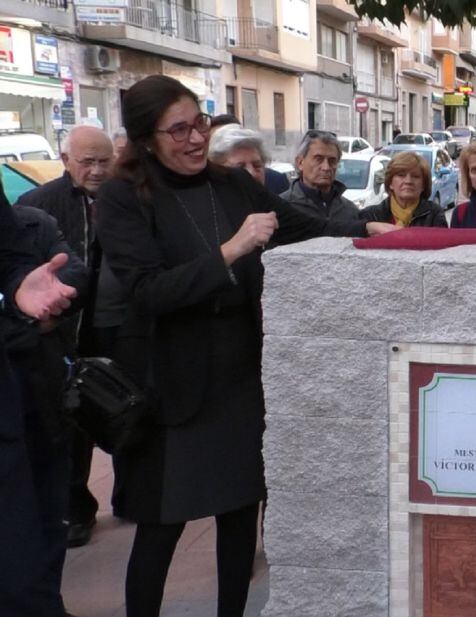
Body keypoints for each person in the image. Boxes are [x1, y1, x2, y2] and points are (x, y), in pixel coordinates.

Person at [95, 75, 370, 617]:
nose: (196, 138)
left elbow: (303, 226)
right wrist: (231, 249)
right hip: (169, 382)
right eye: (179, 130)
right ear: (147, 137)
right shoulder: (122, 196)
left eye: (199, 122)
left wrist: (372, 230)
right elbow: (149, 292)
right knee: (161, 527)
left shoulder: (232, 184)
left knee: (241, 516)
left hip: (239, 374)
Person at [17, 123, 116, 549]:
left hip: (111, 329)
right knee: (70, 424)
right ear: (65, 162)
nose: (96, 170)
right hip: (59, 334)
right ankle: (75, 509)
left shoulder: (126, 200)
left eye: (104, 161)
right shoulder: (39, 206)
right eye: (87, 162)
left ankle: (128, 493)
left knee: (115, 410)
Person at [3, 202, 89, 617]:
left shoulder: (34, 222)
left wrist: (18, 289)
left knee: (29, 543)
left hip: (28, 394)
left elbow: (14, 255)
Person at [280, 130, 362, 224]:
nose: (326, 167)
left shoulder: (350, 212)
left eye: (332, 161)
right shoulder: (282, 209)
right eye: (318, 159)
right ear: (300, 162)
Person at [357, 151, 448, 233]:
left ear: (423, 185)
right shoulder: (370, 215)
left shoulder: (434, 214)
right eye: (401, 175)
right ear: (390, 183)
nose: (408, 181)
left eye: (415, 176)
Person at [210, 115, 288, 194]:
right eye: (240, 168)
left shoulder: (279, 204)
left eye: (257, 165)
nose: (252, 173)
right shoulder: (203, 203)